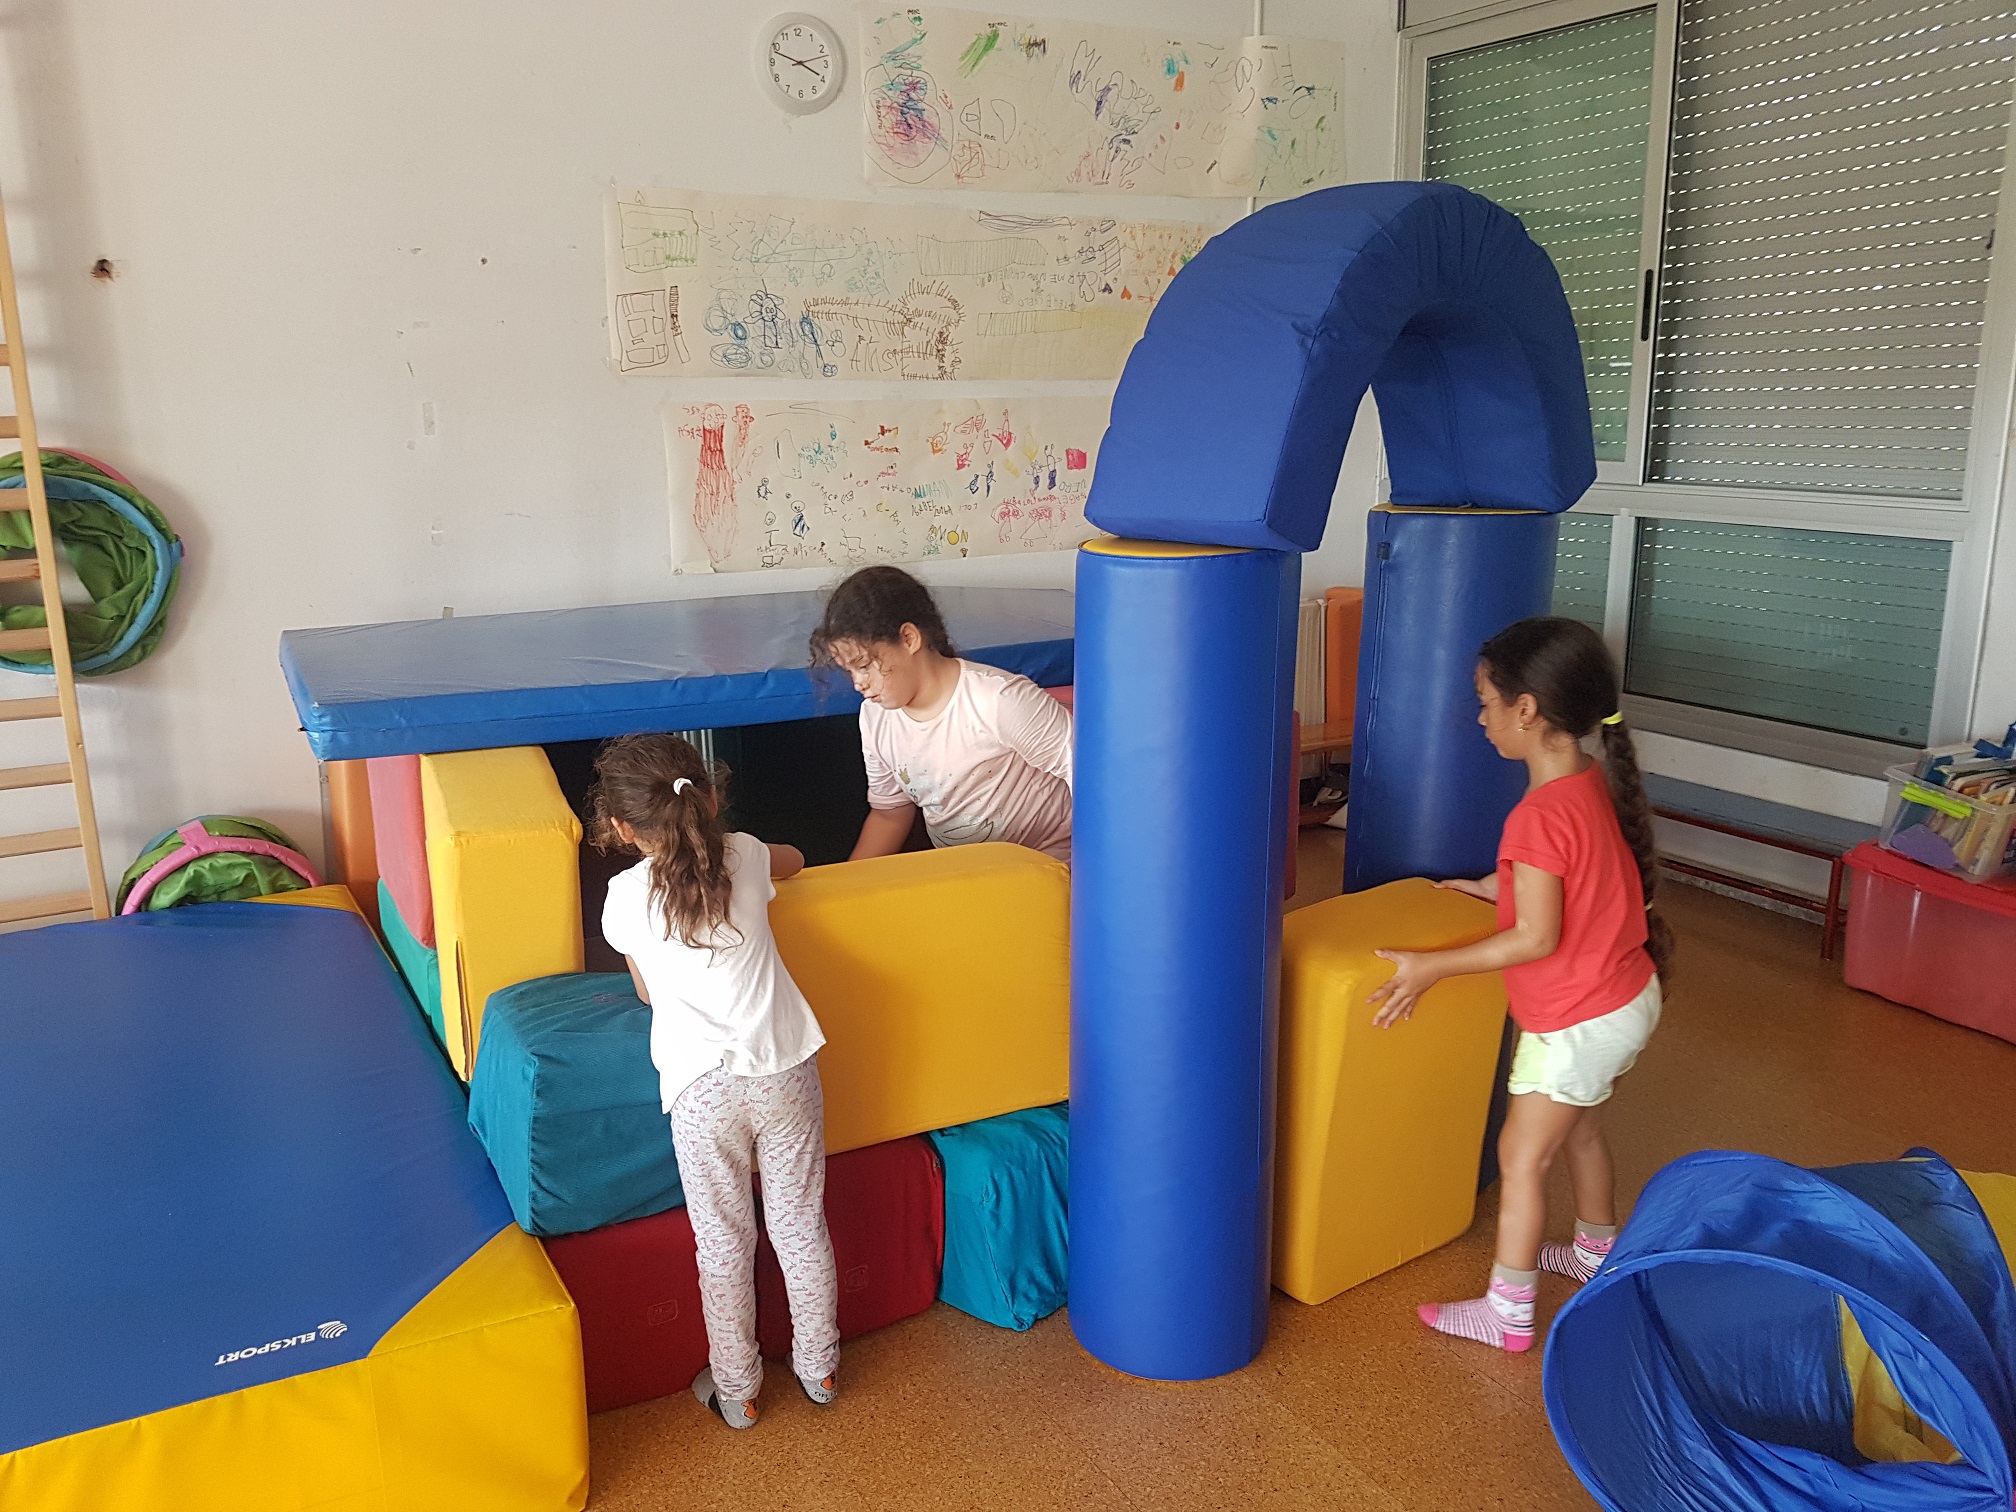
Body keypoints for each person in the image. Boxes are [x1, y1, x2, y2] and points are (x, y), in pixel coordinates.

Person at [1368, 617, 1674, 1353]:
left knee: (1521, 1159)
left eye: (1486, 702)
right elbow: (1575, 879)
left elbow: (1537, 937)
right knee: (1583, 1129)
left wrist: (1431, 967)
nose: (1481, 718)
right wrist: (1496, 887)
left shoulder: (1535, 817)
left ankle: (1507, 1313)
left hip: (1575, 1021)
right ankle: (1596, 1252)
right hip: (1627, 997)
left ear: (1527, 709)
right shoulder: (1586, 779)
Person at [593, 734, 838, 1427]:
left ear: (621, 827)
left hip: (703, 1089)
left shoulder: (623, 898)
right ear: (709, 796)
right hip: (784, 1066)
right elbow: (796, 859)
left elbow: (646, 994)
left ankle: (739, 1389)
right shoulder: (747, 854)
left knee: (724, 1241)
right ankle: (819, 1368)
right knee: (799, 1223)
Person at [810, 565, 1073, 862]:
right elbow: (889, 814)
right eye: (849, 671)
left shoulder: (998, 699)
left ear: (909, 639)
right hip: (965, 869)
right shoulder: (875, 716)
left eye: (864, 666)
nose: (858, 683)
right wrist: (852, 880)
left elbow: (1091, 776)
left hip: (1048, 861)